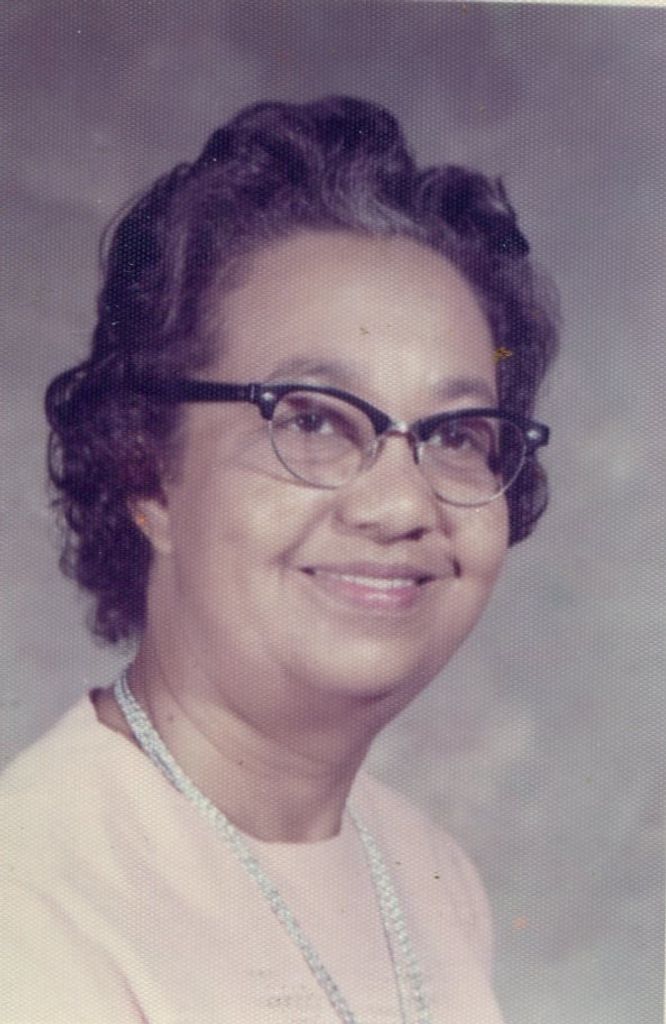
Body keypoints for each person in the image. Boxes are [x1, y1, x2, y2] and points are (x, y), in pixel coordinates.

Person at [0, 96, 558, 1023]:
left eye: (457, 435)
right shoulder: (30, 910)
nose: (401, 505)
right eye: (311, 420)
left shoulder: (433, 876)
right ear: (147, 472)